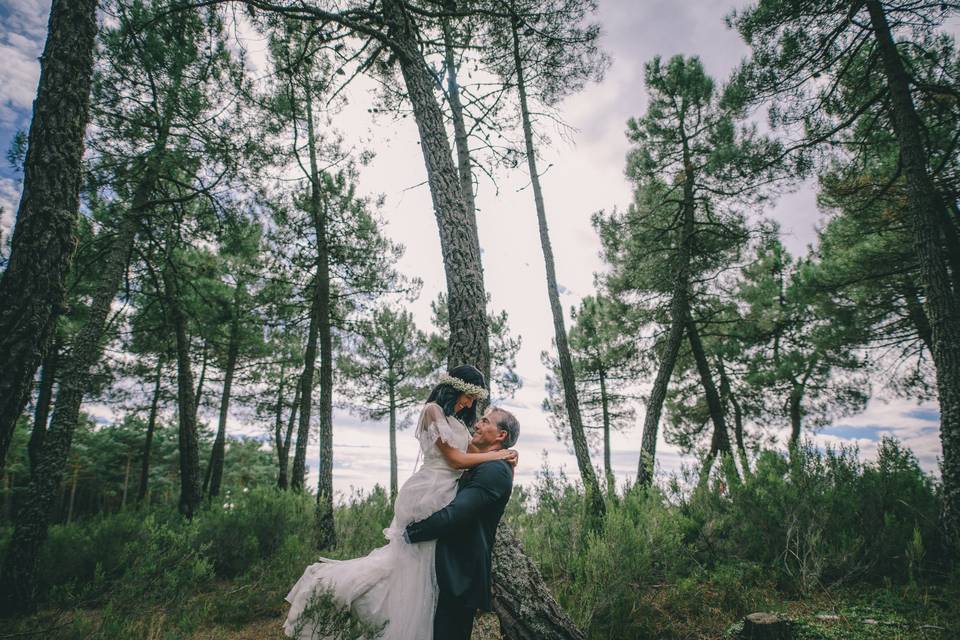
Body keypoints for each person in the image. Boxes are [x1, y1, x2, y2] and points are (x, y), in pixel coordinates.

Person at [283, 365, 517, 640]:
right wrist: (499, 455)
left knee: (420, 570)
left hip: (448, 493)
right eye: (468, 396)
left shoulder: (464, 430)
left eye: (475, 403)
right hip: (430, 489)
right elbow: (455, 460)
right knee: (411, 559)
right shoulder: (433, 411)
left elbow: (467, 466)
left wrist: (506, 459)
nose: (470, 405)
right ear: (455, 387)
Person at [404, 406, 519, 640]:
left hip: (460, 572)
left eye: (485, 421)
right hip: (448, 569)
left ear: (501, 436)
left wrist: (409, 534)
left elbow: (456, 514)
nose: (476, 424)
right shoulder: (483, 463)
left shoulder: (495, 470)